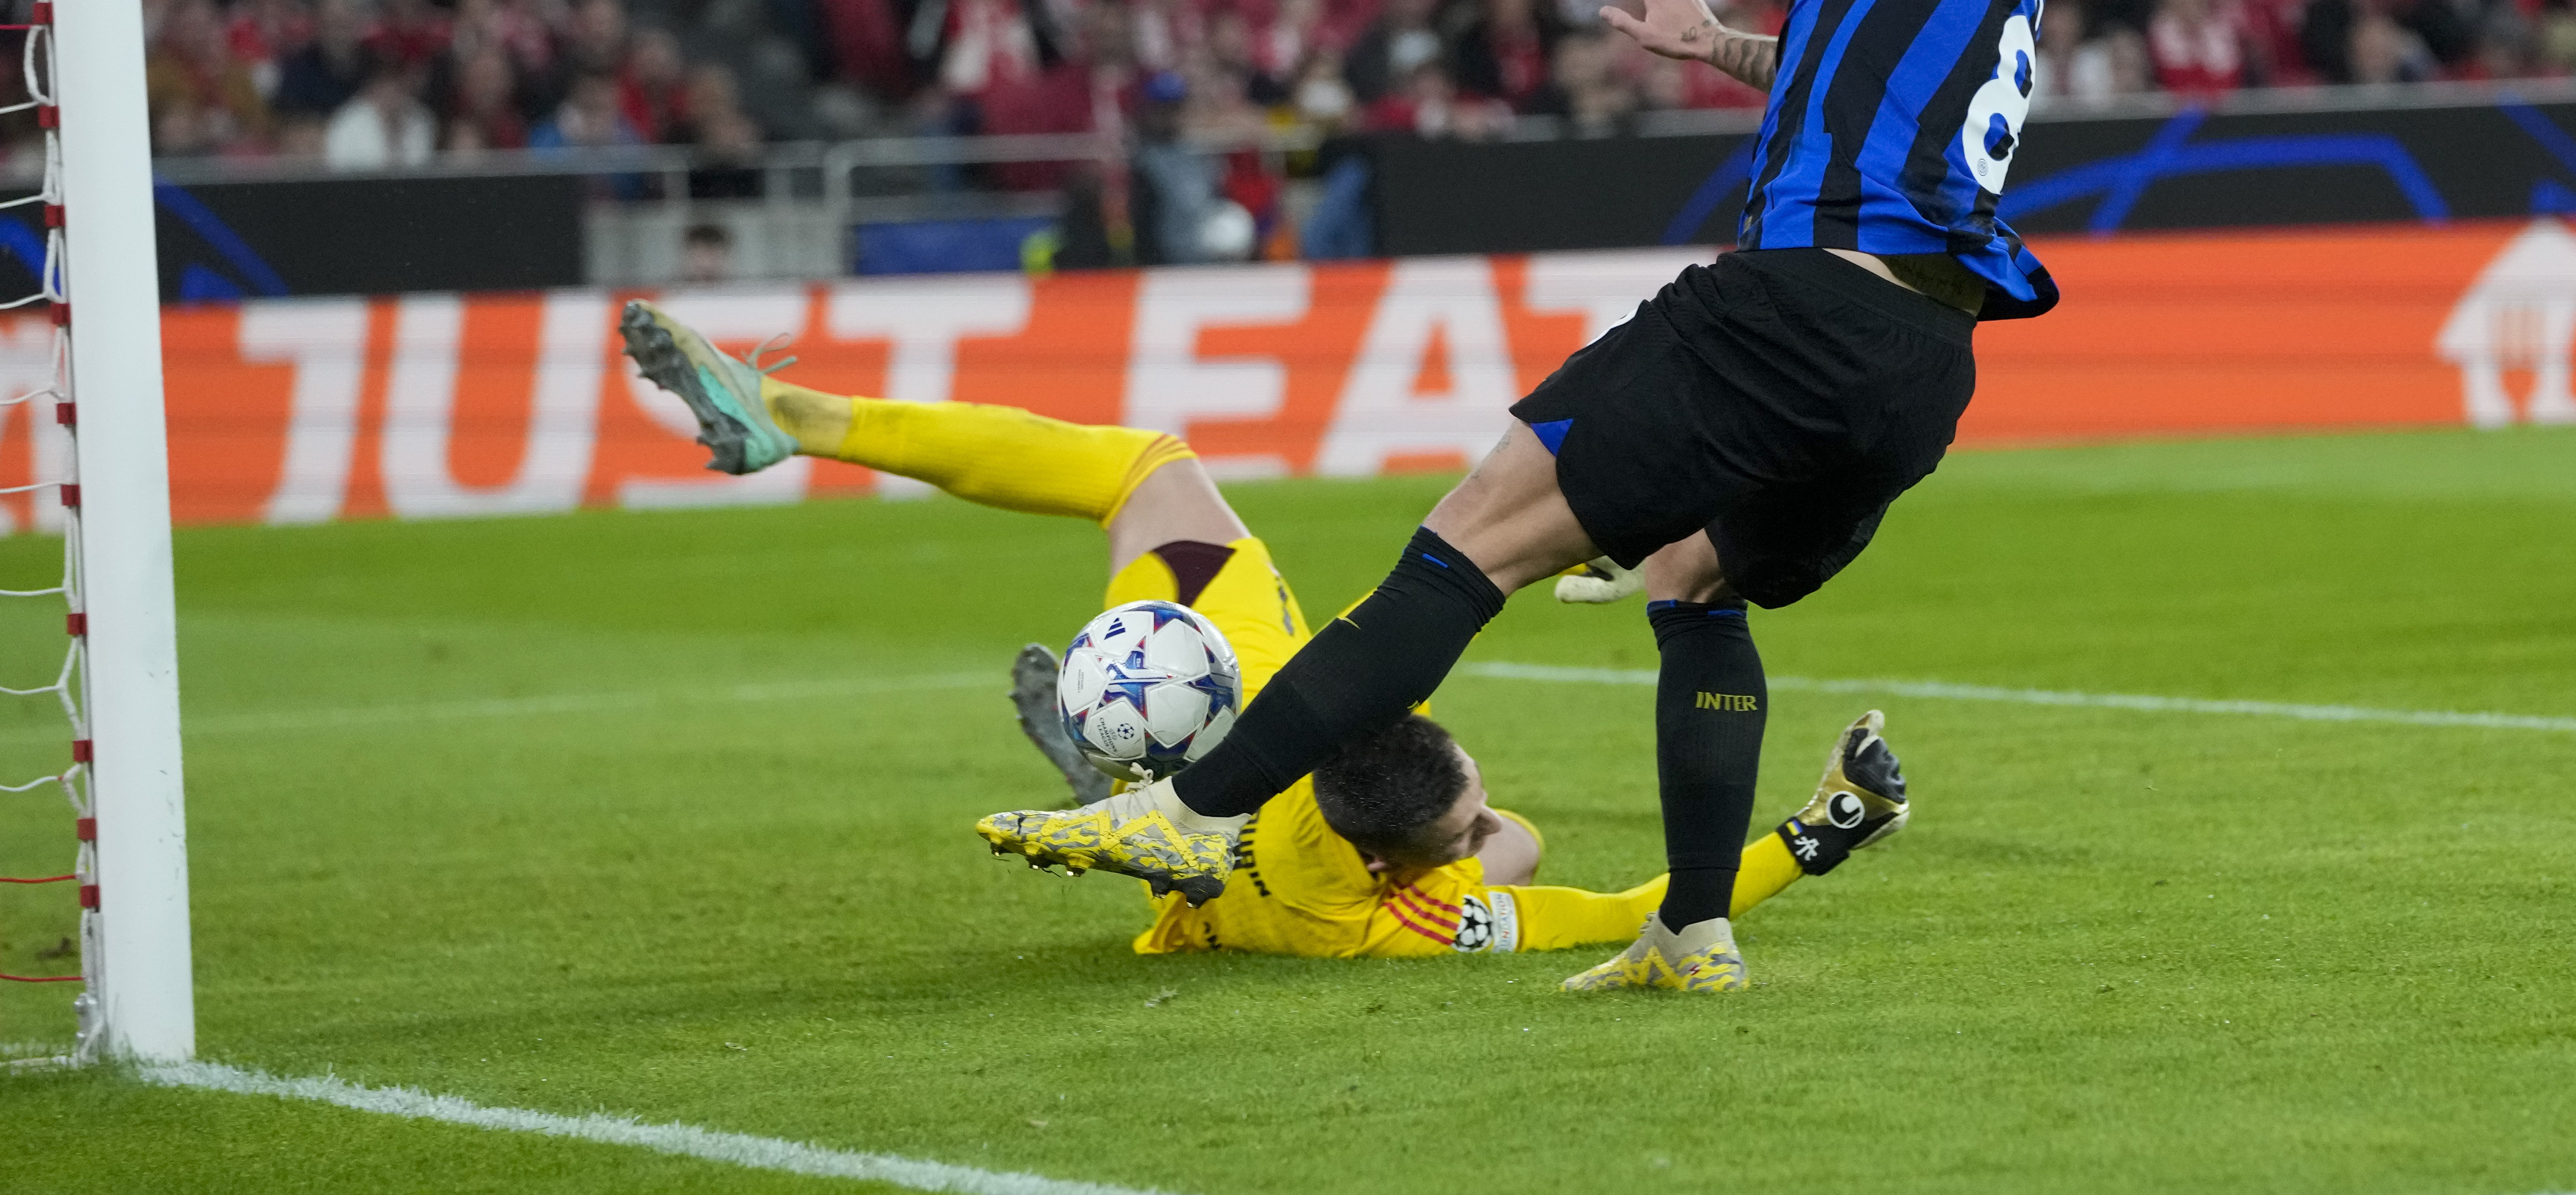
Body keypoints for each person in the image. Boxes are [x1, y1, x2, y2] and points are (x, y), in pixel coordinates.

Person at [975, 0, 2182, 994]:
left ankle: (1194, 809)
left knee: (1469, 540)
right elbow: (1834, 76)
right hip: (1922, 366)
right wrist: (1712, 43)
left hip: (1800, 307)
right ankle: (1691, 929)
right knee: (1690, 580)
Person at [617, 301, 1909, 962]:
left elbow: (1524, 853)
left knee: (1145, 469)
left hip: (1245, 701)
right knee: (1528, 845)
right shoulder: (1410, 922)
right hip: (1244, 884)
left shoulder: (1320, 745)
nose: (1485, 828)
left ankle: (801, 415)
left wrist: (1485, 833)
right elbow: (1608, 894)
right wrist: (1817, 836)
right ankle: (1136, 787)